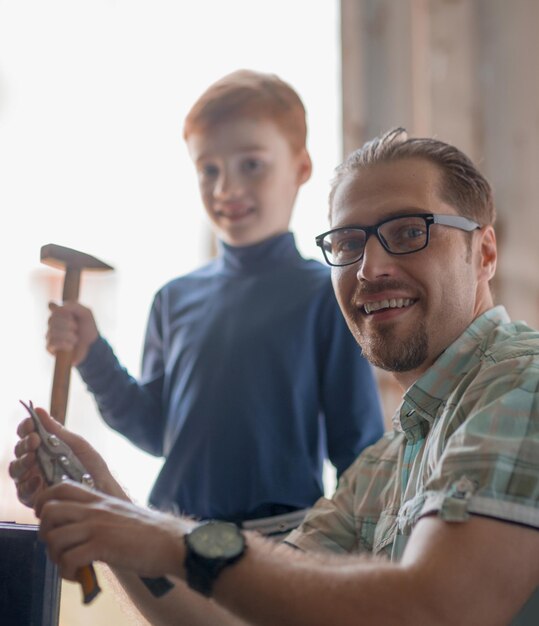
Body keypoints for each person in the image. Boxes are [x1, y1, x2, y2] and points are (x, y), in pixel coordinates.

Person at [12, 127, 539, 625]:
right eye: (349, 243)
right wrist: (106, 502)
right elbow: (231, 614)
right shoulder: (385, 464)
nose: (370, 269)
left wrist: (160, 536)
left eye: (408, 231)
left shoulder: (522, 382)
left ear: (484, 252)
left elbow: (432, 611)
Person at [44, 69, 384, 532]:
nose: (226, 188)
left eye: (251, 164)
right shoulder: (173, 299)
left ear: (301, 168)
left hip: (284, 538)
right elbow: (156, 431)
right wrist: (92, 355)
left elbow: (357, 447)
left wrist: (356, 546)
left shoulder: (326, 296)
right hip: (171, 534)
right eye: (209, 169)